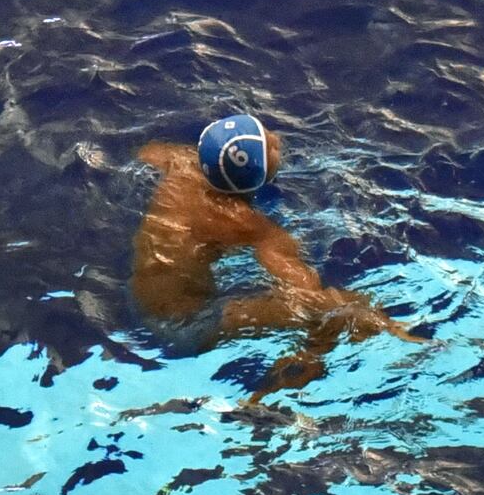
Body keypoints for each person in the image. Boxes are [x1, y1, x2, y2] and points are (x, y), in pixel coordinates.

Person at [132, 114, 413, 396]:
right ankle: (300, 371)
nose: (277, 139)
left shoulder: (179, 163)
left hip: (137, 296)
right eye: (271, 146)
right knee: (336, 306)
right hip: (186, 326)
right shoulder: (246, 224)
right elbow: (303, 287)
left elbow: (145, 151)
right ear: (257, 172)